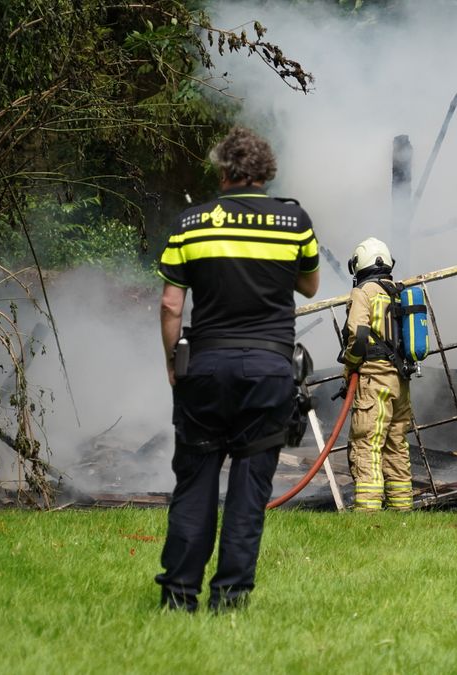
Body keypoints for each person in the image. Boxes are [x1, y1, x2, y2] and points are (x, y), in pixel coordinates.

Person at [155, 126, 320, 612]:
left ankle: (179, 597)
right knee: (249, 493)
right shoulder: (294, 221)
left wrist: (172, 362)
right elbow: (309, 286)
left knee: (195, 484)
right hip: (269, 370)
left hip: (204, 369)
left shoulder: (191, 223)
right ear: (266, 173)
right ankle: (230, 600)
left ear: (223, 170)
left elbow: (169, 304)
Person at [339, 237, 414, 512]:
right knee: (396, 443)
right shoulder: (397, 291)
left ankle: (368, 511)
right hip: (400, 381)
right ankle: (402, 505)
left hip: (374, 380)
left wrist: (349, 365)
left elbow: (358, 336)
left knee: (367, 443)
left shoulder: (364, 292)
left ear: (359, 264)